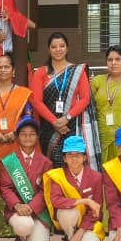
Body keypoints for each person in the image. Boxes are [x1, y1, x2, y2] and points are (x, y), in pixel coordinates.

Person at [29, 33, 92, 167]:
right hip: (48, 127)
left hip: (71, 125)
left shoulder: (77, 71)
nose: (58, 49)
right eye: (54, 47)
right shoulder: (41, 72)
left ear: (67, 48)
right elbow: (37, 102)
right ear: (49, 49)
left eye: (62, 46)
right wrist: (54, 122)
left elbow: (85, 99)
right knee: (51, 164)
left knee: (73, 162)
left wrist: (67, 118)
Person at [42, 136, 103, 241]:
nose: (74, 158)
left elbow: (96, 211)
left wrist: (80, 233)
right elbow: (56, 201)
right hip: (69, 218)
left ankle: (80, 237)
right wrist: (85, 201)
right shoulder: (58, 176)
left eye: (78, 155)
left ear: (84, 157)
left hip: (88, 222)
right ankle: (69, 236)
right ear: (64, 158)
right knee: (66, 211)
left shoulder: (96, 177)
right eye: (70, 155)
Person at [0, 119, 53, 241]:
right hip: (17, 210)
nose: (27, 137)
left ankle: (36, 237)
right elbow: (5, 188)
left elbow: (45, 191)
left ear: (37, 137)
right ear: (17, 137)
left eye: (32, 134)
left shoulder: (46, 163)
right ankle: (21, 237)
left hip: (38, 212)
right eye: (23, 134)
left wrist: (32, 207)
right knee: (24, 225)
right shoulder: (9, 161)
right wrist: (17, 205)